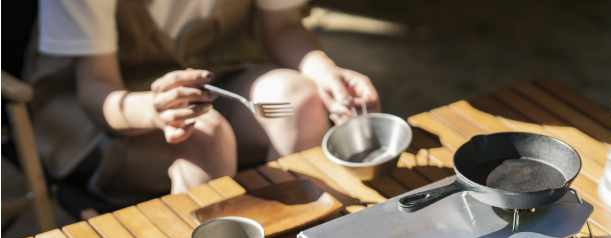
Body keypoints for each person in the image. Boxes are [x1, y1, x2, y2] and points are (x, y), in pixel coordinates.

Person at [28, 0, 380, 204]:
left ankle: (283, 228)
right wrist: (156, 110)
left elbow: (282, 26)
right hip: (104, 116)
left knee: (300, 103)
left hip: (216, 78)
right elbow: (97, 91)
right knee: (206, 136)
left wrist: (325, 73)